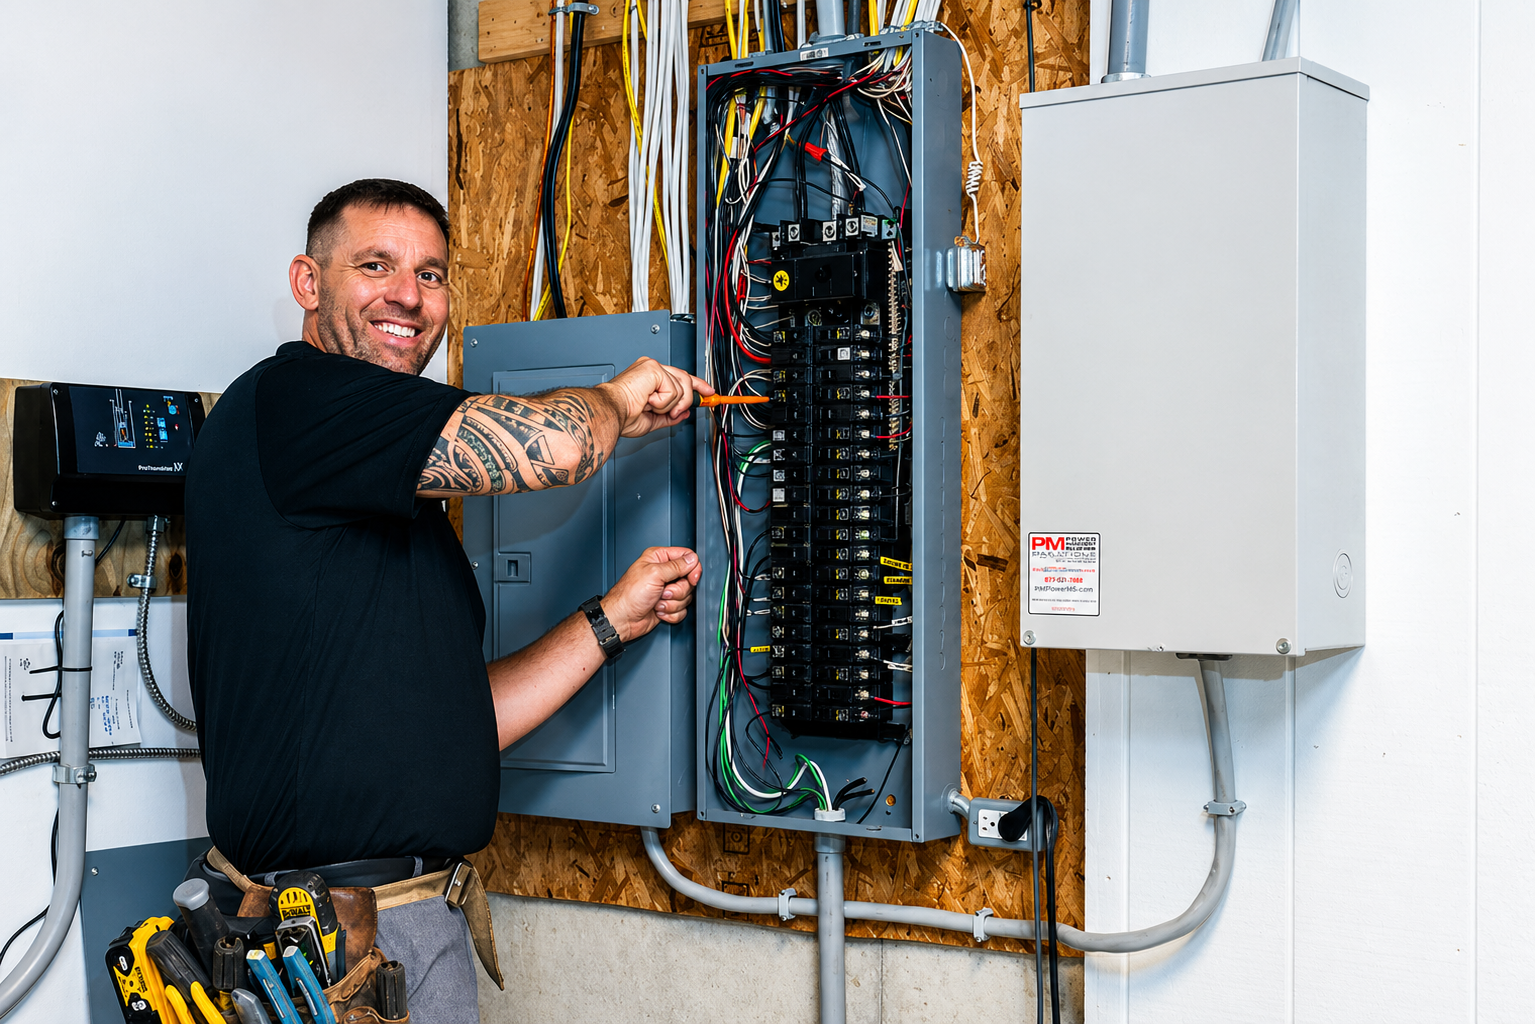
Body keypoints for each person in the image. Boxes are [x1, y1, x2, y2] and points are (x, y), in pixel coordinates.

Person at [183, 178, 709, 1022]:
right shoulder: (300, 401)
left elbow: (456, 723)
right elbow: (561, 447)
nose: (407, 294)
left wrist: (615, 619)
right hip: (328, 947)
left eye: (430, 274)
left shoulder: (380, 493)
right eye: (376, 265)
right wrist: (617, 397)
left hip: (404, 925)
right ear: (307, 284)